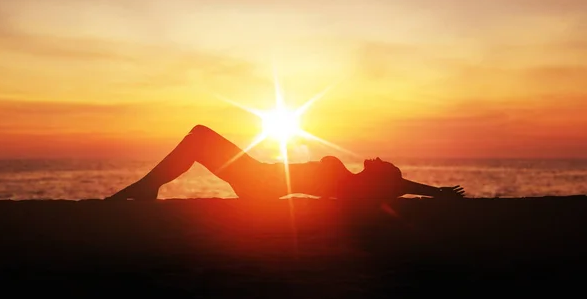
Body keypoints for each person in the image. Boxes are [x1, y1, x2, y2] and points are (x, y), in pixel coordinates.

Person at [109, 124, 465, 203]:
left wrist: (435, 193)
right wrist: (437, 192)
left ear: (380, 175)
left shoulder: (351, 185)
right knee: (198, 141)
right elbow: (401, 185)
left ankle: (148, 186)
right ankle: (149, 185)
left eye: (383, 162)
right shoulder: (351, 179)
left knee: (200, 137)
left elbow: (399, 186)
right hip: (259, 176)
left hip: (260, 182)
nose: (378, 157)